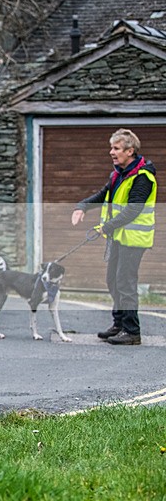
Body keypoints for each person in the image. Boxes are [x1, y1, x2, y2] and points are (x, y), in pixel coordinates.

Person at [71, 128, 157, 345]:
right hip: (119, 237)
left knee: (125, 282)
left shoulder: (143, 177)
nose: (111, 152)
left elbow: (132, 210)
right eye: (111, 147)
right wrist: (82, 206)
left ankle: (132, 332)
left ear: (130, 151)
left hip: (134, 239)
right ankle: (119, 324)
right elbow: (103, 195)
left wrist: (106, 227)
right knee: (113, 280)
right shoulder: (118, 173)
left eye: (116, 148)